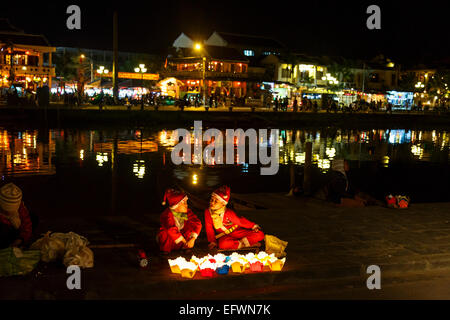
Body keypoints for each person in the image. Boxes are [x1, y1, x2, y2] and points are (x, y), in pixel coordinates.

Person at [205, 186, 264, 251]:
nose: (212, 202)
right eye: (211, 200)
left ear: (223, 204)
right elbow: (209, 227)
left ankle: (238, 244)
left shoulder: (228, 213)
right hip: (225, 235)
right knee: (223, 244)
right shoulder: (208, 212)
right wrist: (213, 241)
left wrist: (253, 226)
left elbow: (240, 221)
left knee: (260, 234)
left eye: (216, 201)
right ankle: (247, 244)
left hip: (237, 232)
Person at [157, 189, 202, 254]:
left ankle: (186, 247)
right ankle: (166, 250)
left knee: (189, 229)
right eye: (184, 203)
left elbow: (197, 223)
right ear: (176, 206)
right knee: (164, 232)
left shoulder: (187, 212)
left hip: (181, 239)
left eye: (186, 203)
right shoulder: (167, 215)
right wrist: (184, 241)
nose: (187, 205)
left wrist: (193, 239)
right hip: (171, 240)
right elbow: (171, 229)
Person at [0, 183, 34, 249]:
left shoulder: (20, 208)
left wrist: (21, 239)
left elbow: (27, 225)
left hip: (16, 237)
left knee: (33, 217)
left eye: (12, 210)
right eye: (6, 210)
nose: (9, 212)